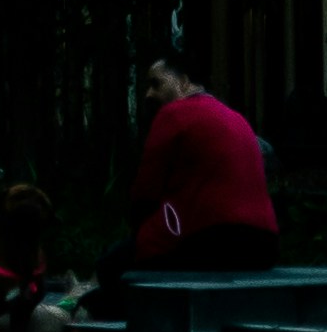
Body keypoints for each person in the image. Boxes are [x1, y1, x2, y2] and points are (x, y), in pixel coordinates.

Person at [104, 49, 278, 296]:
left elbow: (145, 192)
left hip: (213, 240)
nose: (149, 94)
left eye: (156, 84)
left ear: (184, 82)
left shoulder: (173, 114)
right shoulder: (236, 118)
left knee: (112, 263)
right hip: (264, 245)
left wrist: (139, 232)